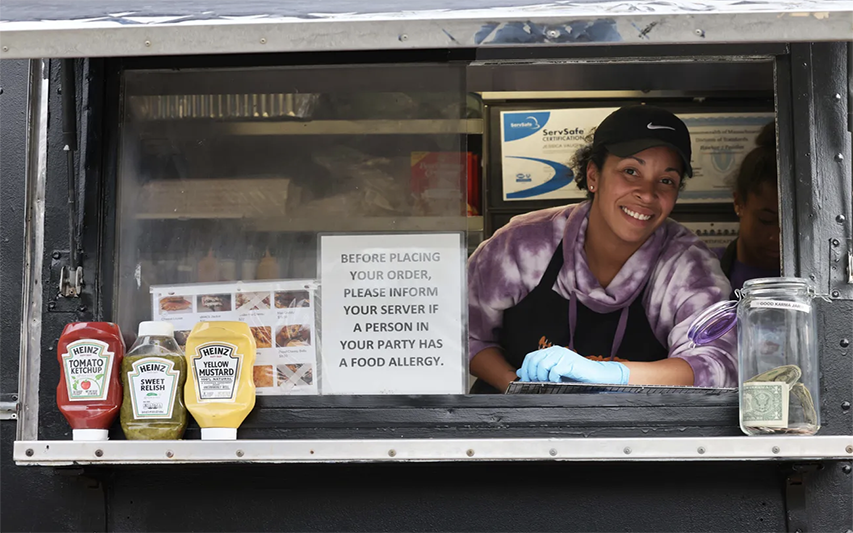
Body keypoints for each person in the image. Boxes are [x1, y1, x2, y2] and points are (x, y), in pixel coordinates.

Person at [467, 105, 736, 393]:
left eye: (666, 180)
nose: (647, 193)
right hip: (510, 427)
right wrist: (521, 389)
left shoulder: (687, 265)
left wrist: (613, 374)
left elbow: (718, 365)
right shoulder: (523, 244)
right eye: (630, 171)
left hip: (633, 433)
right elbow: (461, 335)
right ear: (593, 175)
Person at [716, 122, 780, 293]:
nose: (776, 237)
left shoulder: (821, 279)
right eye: (766, 220)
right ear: (739, 203)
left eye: (791, 226)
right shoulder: (703, 271)